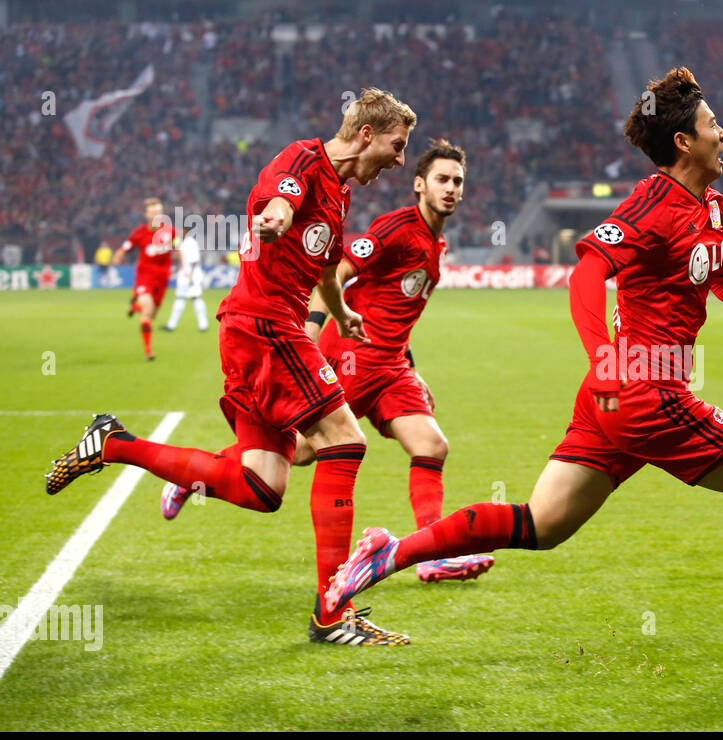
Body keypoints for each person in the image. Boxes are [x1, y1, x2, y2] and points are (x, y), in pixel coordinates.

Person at [325, 68, 723, 674]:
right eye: (714, 125)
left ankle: (389, 554)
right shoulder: (652, 204)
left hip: (614, 399)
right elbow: (585, 273)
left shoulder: (708, 204)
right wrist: (604, 354)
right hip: (645, 388)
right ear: (684, 142)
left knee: (542, 524)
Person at [45, 89, 418, 647]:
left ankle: (112, 444)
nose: (399, 159)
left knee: (261, 486)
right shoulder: (301, 160)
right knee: (345, 440)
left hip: (252, 327)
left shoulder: (339, 193)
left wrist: (344, 312)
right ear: (368, 134)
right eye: (397, 145)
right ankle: (332, 613)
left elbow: (320, 270)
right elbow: (278, 204)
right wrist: (272, 220)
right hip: (267, 326)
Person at [163, 139, 494, 584]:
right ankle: (197, 474)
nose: (451, 188)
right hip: (353, 359)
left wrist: (411, 366)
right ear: (419, 185)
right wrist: (313, 332)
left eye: (457, 181)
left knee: (432, 445)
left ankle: (431, 551)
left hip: (392, 366)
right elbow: (334, 274)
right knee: (299, 452)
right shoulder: (396, 228)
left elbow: (397, 312)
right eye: (441, 179)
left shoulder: (437, 245)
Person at [113, 198, 174, 360]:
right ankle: (148, 351)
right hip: (144, 278)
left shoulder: (170, 231)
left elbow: (179, 248)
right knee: (147, 313)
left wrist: (185, 268)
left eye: (158, 212)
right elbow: (125, 248)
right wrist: (117, 257)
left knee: (151, 315)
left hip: (162, 279)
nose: (156, 215)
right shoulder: (139, 233)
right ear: (146, 215)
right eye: (153, 212)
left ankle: (135, 306)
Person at [162, 228, 209, 332]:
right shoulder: (180, 242)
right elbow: (182, 260)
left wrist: (191, 277)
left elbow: (194, 261)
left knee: (196, 297)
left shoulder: (191, 243)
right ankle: (171, 325)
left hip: (191, 274)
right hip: (184, 273)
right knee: (181, 297)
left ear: (186, 231)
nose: (179, 233)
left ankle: (203, 325)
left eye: (182, 230)